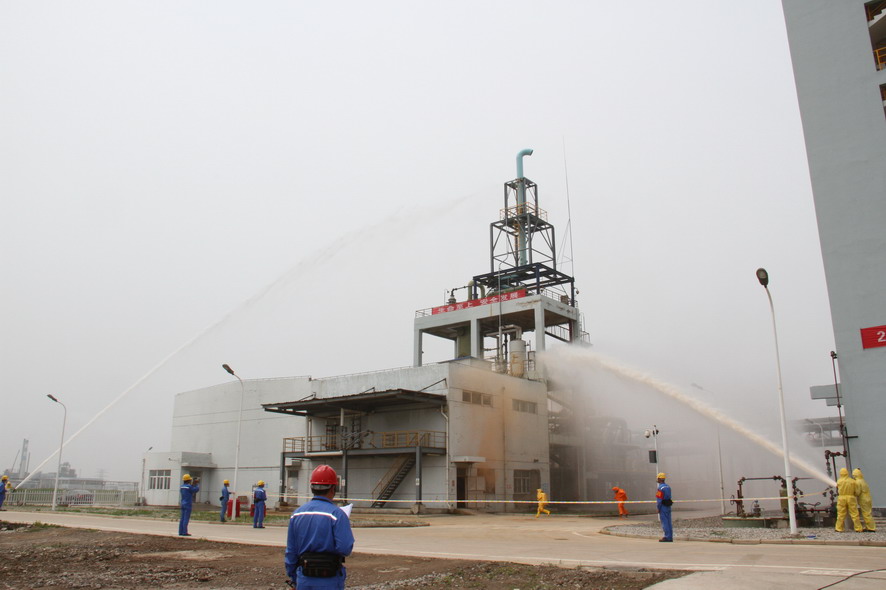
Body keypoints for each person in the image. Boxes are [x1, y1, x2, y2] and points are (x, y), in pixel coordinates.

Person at [285, 465, 354, 589]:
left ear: (312, 487)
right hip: (330, 578)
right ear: (333, 488)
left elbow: (291, 552)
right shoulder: (337, 514)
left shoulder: (297, 514)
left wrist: (294, 578)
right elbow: (345, 548)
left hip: (305, 578)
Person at [834, 467, 862, 533]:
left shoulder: (839, 481)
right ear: (847, 473)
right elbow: (857, 491)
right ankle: (858, 528)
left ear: (840, 473)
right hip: (851, 498)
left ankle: (838, 528)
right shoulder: (853, 481)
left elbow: (838, 488)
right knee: (854, 514)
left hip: (841, 498)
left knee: (840, 514)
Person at [852, 468, 876, 532]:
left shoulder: (858, 482)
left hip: (863, 500)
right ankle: (869, 526)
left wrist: (853, 493)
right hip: (868, 498)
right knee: (868, 513)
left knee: (866, 514)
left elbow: (857, 492)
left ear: (855, 475)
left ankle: (871, 528)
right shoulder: (863, 480)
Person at [655, 472, 673, 542]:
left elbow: (659, 499)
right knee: (669, 522)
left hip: (663, 507)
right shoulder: (668, 487)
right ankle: (670, 536)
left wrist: (658, 508)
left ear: (659, 479)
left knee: (665, 522)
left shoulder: (660, 488)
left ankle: (667, 537)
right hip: (668, 506)